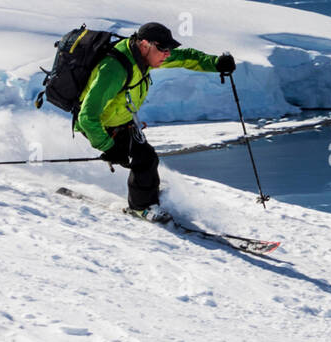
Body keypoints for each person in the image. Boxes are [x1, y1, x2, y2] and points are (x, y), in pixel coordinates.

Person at [75, 22, 236, 221]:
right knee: (144, 159)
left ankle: (146, 196)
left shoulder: (146, 57)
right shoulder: (114, 69)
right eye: (163, 49)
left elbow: (185, 57)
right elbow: (87, 117)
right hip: (100, 126)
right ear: (144, 44)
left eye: (169, 49)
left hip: (123, 121)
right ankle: (141, 207)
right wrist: (108, 147)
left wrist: (216, 63)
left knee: (147, 158)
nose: (167, 54)